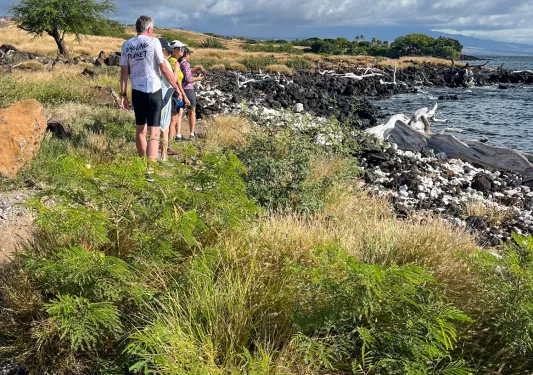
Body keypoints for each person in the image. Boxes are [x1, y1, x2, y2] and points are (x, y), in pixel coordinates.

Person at [119, 15, 180, 165]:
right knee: (154, 131)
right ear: (149, 28)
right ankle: (150, 169)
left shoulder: (126, 45)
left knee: (140, 130)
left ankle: (142, 163)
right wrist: (176, 86)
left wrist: (123, 95)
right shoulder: (154, 42)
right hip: (154, 91)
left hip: (137, 91)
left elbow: (123, 72)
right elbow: (164, 68)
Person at [158, 38, 181, 161]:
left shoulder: (151, 60)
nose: (169, 52)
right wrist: (176, 68)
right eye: (167, 50)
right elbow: (172, 79)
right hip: (165, 94)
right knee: (164, 127)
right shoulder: (164, 62)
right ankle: (163, 155)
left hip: (153, 93)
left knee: (153, 125)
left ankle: (152, 153)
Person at [178, 46, 206, 139]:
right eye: (189, 54)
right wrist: (198, 78)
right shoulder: (185, 64)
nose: (190, 55)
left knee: (179, 111)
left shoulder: (179, 63)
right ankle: (192, 133)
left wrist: (196, 69)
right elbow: (188, 79)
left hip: (179, 88)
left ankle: (178, 134)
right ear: (186, 54)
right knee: (192, 111)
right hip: (188, 89)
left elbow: (187, 73)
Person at [167, 40, 190, 142]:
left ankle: (168, 142)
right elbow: (174, 79)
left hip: (177, 92)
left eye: (183, 49)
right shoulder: (173, 61)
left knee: (175, 118)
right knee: (173, 119)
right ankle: (168, 144)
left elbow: (179, 81)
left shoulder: (176, 62)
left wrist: (183, 94)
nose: (182, 50)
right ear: (174, 50)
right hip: (173, 92)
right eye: (180, 48)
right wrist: (180, 93)